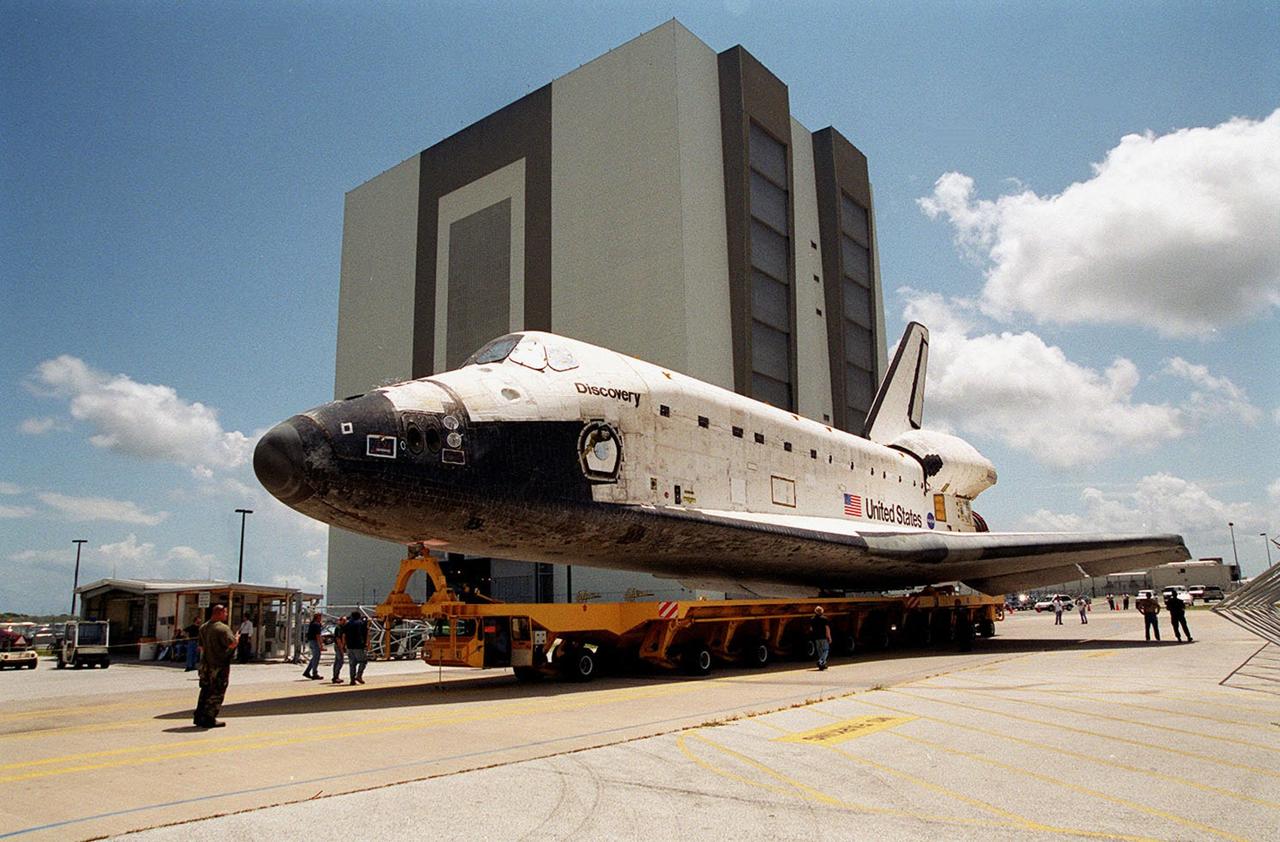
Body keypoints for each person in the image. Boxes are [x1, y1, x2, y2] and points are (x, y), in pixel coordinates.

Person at [194, 604, 239, 728]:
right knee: (217, 692)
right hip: (219, 665)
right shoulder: (223, 629)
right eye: (225, 612)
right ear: (219, 613)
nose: (227, 614)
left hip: (205, 665)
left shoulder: (203, 627)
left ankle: (199, 716)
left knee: (205, 690)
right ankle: (209, 717)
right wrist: (237, 639)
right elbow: (231, 644)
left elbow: (201, 647)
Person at [345, 611, 369, 684]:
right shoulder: (360, 623)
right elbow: (366, 633)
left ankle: (352, 679)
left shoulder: (348, 624)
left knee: (352, 663)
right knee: (363, 661)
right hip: (358, 646)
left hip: (349, 646)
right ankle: (359, 675)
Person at [302, 612, 324, 679]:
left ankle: (307, 671)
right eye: (320, 617)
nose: (321, 618)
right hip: (315, 642)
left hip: (311, 641)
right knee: (316, 658)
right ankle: (315, 673)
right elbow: (318, 636)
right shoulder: (316, 625)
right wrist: (321, 645)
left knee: (314, 657)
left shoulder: (312, 624)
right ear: (318, 617)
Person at [810, 606, 831, 671]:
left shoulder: (812, 619)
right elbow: (827, 628)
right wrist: (829, 637)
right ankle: (820, 661)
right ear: (822, 611)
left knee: (820, 651)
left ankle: (823, 664)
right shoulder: (824, 619)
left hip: (816, 637)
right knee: (826, 650)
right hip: (823, 637)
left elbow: (811, 629)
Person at [330, 615, 348, 684]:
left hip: (339, 646)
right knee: (340, 661)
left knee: (337, 661)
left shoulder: (342, 628)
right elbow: (338, 639)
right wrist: (341, 648)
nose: (345, 622)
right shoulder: (339, 628)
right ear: (340, 621)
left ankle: (336, 676)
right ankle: (335, 677)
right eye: (343, 620)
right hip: (338, 646)